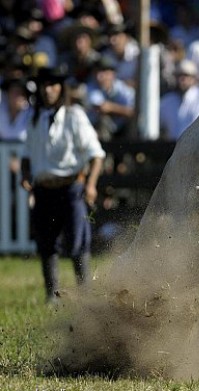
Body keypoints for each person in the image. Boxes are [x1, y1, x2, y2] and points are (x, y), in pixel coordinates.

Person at [20, 67, 105, 304]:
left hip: (71, 187)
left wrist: (91, 185)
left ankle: (86, 295)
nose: (48, 90)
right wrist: (26, 173)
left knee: (77, 241)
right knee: (46, 242)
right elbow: (27, 153)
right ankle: (52, 295)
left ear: (61, 88)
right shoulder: (34, 117)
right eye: (44, 85)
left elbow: (96, 154)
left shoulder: (74, 115)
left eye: (53, 85)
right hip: (43, 187)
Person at [159, 59, 199, 141]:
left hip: (198, 147)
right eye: (179, 76)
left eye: (186, 76)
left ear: (193, 78)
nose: (182, 80)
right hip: (172, 148)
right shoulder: (167, 101)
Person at [85, 56, 135, 141]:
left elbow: (133, 112)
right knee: (103, 121)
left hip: (122, 130)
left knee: (133, 123)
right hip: (99, 131)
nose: (99, 77)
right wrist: (122, 110)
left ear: (112, 74)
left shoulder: (122, 88)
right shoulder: (91, 87)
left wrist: (112, 108)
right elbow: (102, 108)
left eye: (103, 72)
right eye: (96, 72)